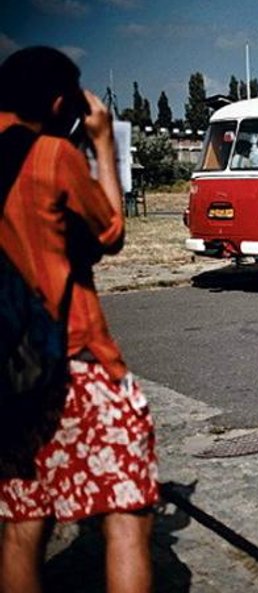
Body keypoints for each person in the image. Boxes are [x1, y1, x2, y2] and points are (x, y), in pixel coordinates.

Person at [0, 47, 159, 593]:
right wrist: (101, 142)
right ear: (58, 102)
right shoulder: (50, 156)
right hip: (72, 360)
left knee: (22, 522)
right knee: (127, 510)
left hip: (6, 374)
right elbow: (111, 232)